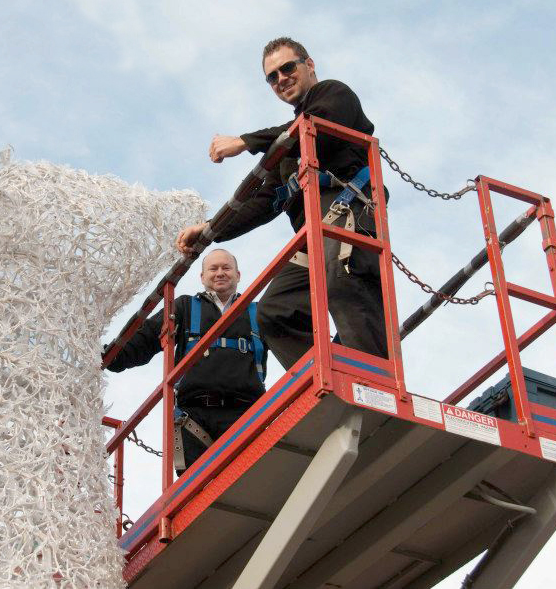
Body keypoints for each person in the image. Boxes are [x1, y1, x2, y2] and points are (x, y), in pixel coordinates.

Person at [177, 37, 388, 370]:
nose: (281, 79)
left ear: (309, 64)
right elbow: (263, 201)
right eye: (271, 76)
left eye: (287, 68)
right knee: (274, 312)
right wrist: (209, 230)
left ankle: (373, 379)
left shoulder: (334, 95)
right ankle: (328, 376)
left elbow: (311, 127)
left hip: (347, 213)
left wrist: (245, 142)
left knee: (342, 282)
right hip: (312, 237)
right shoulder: (286, 151)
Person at [105, 249, 267, 474]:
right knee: (198, 495)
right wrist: (111, 356)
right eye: (213, 268)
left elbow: (293, 334)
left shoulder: (257, 312)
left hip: (247, 413)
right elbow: (145, 338)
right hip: (195, 417)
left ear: (238, 275)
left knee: (250, 485)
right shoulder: (184, 307)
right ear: (202, 277)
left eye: (226, 268)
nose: (220, 273)